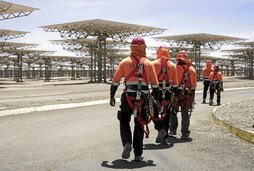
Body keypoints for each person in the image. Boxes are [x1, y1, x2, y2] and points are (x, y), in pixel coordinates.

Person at [109, 37, 159, 161]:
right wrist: (155, 100)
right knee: (140, 124)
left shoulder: (124, 62)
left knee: (124, 120)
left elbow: (115, 82)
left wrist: (112, 96)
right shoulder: (148, 63)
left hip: (128, 96)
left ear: (131, 47)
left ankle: (127, 143)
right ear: (144, 48)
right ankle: (138, 154)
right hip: (143, 97)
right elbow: (155, 85)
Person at [151, 46, 178, 143]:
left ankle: (160, 128)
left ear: (158, 52)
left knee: (152, 111)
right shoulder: (172, 65)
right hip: (168, 92)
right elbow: (175, 83)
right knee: (166, 114)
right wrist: (176, 96)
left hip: (156, 90)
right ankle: (165, 136)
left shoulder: (153, 64)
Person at [170, 51, 197, 140]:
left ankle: (173, 130)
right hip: (188, 94)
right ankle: (185, 133)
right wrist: (192, 98)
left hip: (176, 94)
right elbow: (193, 85)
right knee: (185, 114)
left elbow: (172, 82)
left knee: (173, 111)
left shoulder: (174, 68)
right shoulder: (192, 69)